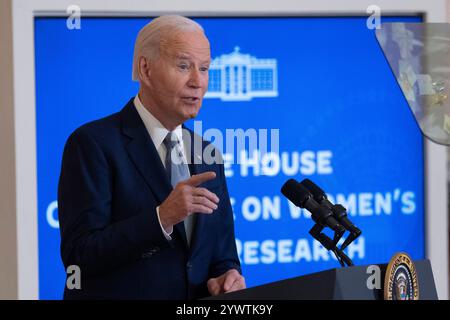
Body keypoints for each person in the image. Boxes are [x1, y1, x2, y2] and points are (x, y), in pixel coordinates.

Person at [58, 15, 245, 299]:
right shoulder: (92, 143)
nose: (198, 81)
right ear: (146, 70)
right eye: (184, 66)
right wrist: (162, 218)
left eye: (204, 68)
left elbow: (222, 255)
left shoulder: (208, 153)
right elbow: (78, 257)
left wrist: (228, 276)